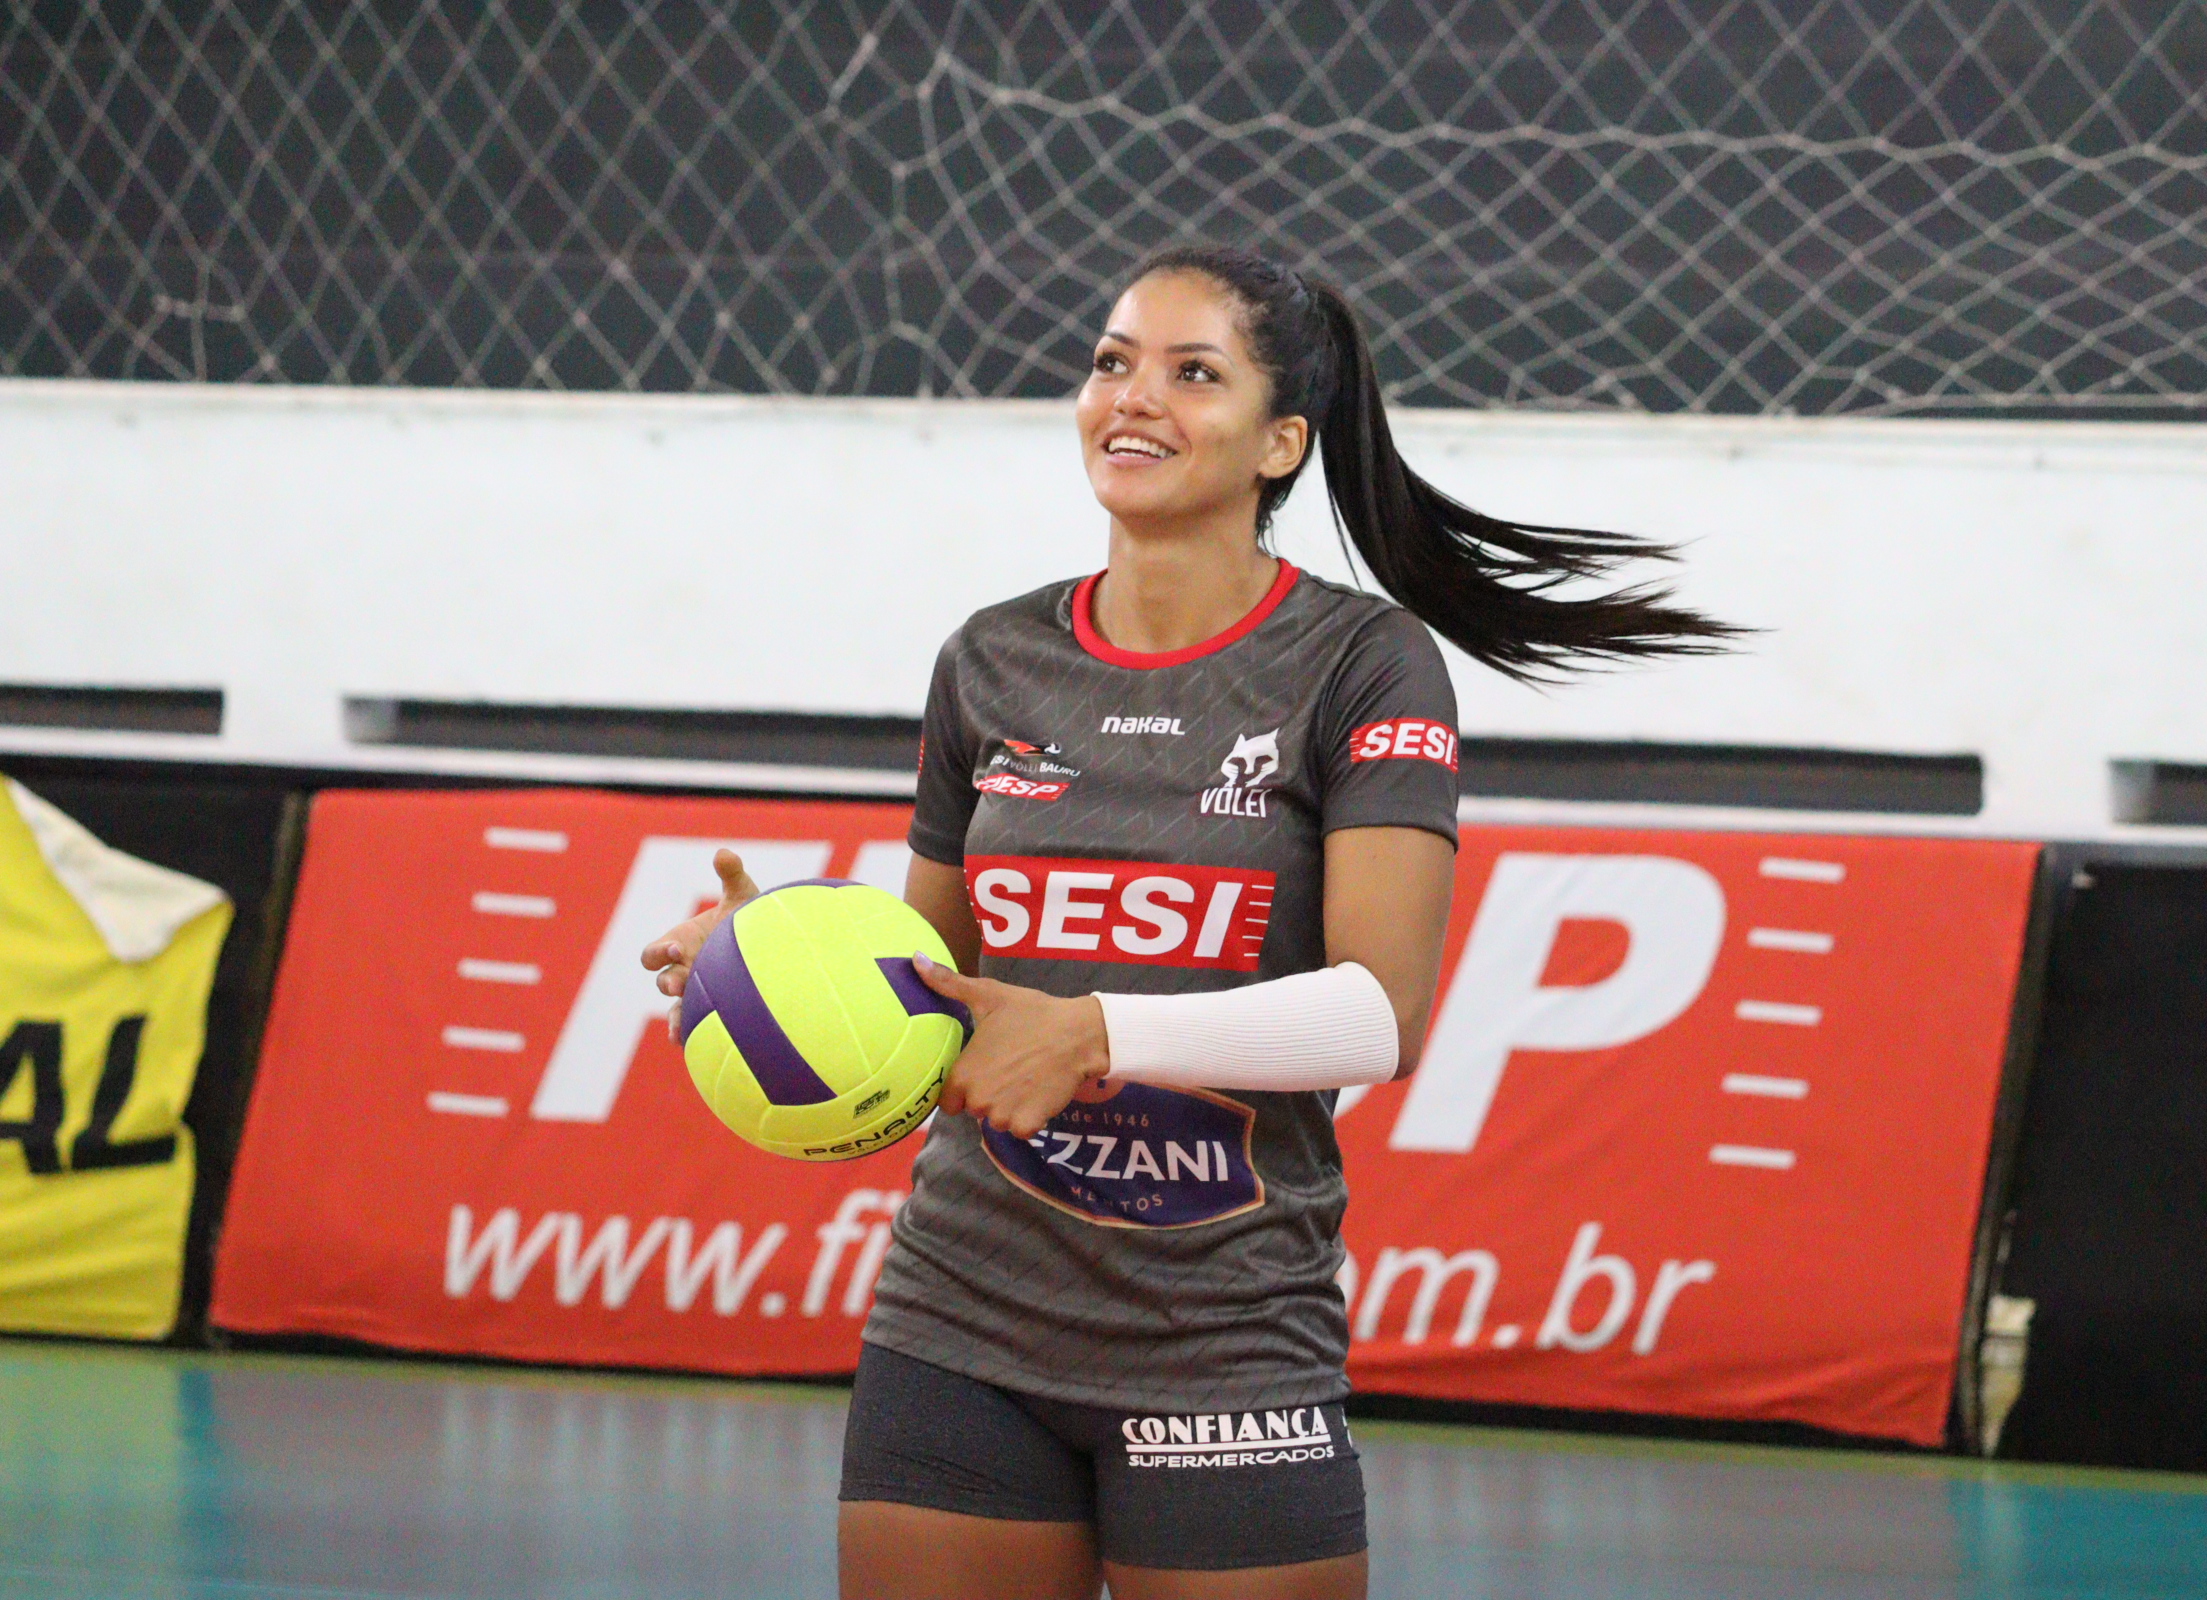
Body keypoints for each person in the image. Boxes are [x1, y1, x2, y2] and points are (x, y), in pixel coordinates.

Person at [642, 245, 1730, 1600]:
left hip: (1221, 1337)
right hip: (959, 1324)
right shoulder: (991, 657)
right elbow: (937, 988)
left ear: (1282, 442)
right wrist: (767, 964)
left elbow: (1376, 1017)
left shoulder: (1363, 661)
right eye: (1112, 362)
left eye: (1190, 372)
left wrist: (1097, 1033)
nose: (1131, 398)